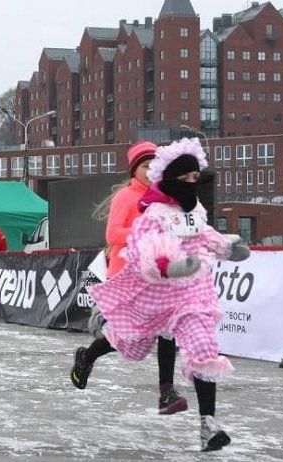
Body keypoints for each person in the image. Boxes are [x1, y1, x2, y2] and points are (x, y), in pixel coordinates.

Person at [74, 138, 250, 452]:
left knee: (202, 347)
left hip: (190, 293)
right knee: (129, 340)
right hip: (146, 287)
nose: (191, 185)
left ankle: (206, 422)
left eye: (196, 179)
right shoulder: (144, 207)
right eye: (185, 179)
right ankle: (87, 357)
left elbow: (203, 233)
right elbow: (134, 245)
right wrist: (168, 265)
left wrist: (226, 246)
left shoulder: (192, 208)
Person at [78, 141, 188, 415]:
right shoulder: (126, 198)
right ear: (134, 170)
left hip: (158, 275)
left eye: (154, 166)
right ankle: (86, 356)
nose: (150, 171)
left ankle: (166, 392)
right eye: (144, 165)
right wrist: (145, 233)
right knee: (128, 338)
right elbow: (112, 235)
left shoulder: (167, 200)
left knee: (166, 329)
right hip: (128, 274)